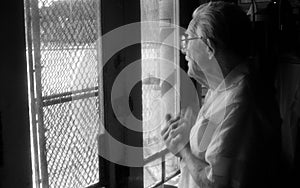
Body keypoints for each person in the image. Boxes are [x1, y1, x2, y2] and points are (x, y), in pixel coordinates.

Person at [161, 1, 281, 188]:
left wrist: (183, 149)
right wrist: (187, 137)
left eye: (188, 40)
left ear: (209, 47)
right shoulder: (221, 87)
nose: (184, 51)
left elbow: (216, 182)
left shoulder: (240, 101)